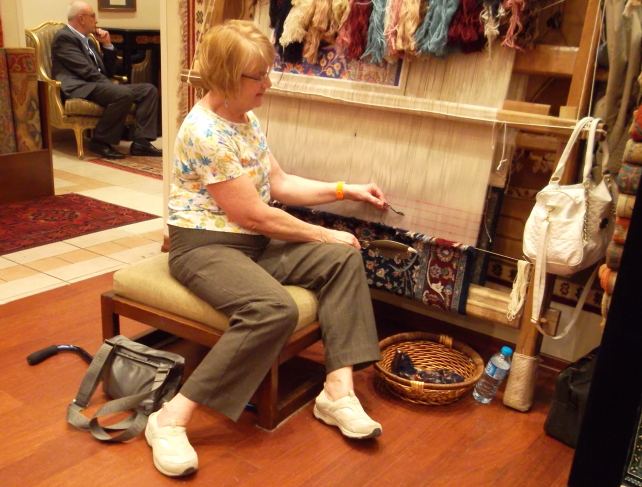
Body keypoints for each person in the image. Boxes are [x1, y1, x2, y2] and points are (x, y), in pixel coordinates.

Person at [147, 20, 389, 478]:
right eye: (258, 75)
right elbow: (254, 214)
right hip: (203, 246)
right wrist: (321, 233)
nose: (268, 83)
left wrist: (346, 189)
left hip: (250, 243)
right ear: (224, 77)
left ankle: (337, 393)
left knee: (343, 257)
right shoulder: (205, 132)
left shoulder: (245, 120)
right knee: (272, 309)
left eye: (266, 72)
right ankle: (170, 417)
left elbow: (279, 183)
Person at [51, 1, 162, 159]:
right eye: (93, 16)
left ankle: (141, 142)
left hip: (96, 84)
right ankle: (100, 141)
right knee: (122, 93)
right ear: (81, 19)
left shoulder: (88, 40)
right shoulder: (64, 38)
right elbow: (86, 71)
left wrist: (108, 45)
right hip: (79, 87)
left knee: (149, 90)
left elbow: (108, 71)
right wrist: (113, 87)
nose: (96, 21)